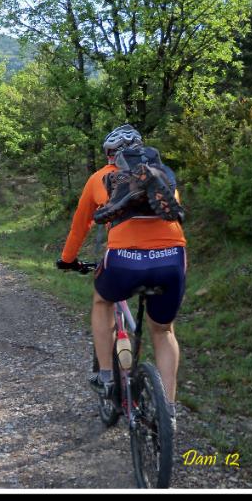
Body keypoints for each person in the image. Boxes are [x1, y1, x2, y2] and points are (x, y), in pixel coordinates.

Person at [56, 124, 187, 430]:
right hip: (172, 257)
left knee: (103, 300)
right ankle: (168, 409)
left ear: (109, 155)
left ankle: (105, 377)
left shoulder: (99, 178)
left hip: (124, 259)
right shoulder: (162, 174)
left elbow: (80, 226)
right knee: (164, 331)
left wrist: (68, 260)